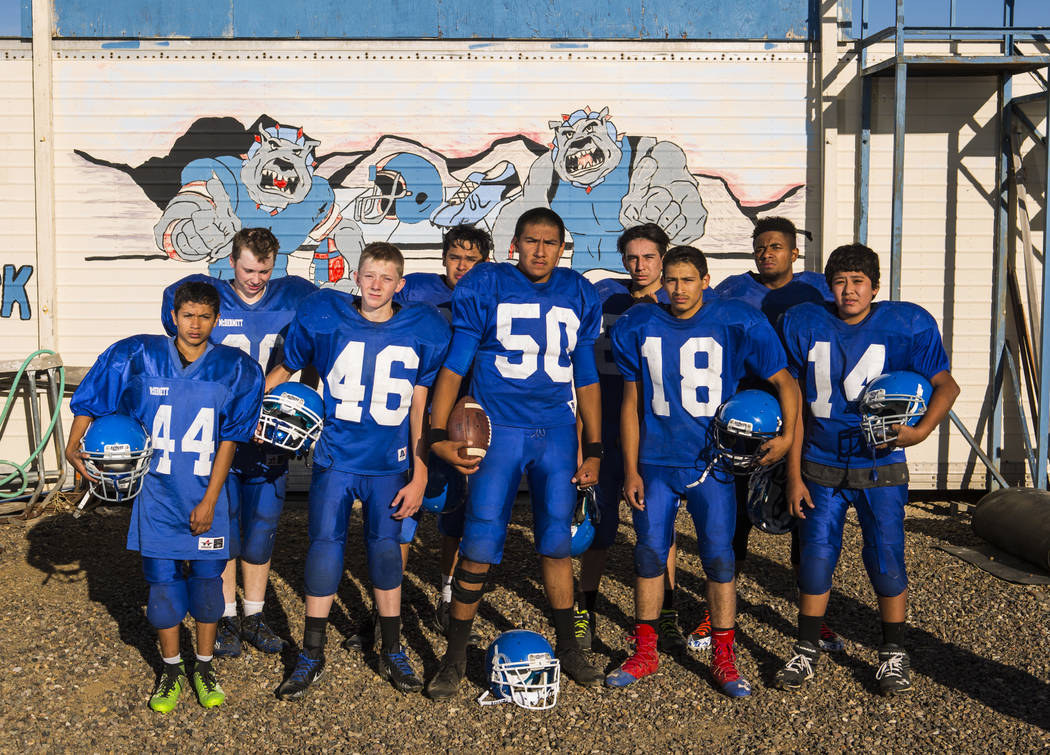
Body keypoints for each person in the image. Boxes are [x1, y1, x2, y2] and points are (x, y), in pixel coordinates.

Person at [424, 208, 605, 699]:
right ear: (515, 244)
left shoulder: (579, 292)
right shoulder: (487, 283)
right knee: (480, 541)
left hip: (557, 430)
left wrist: (594, 447)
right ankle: (455, 656)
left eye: (550, 243)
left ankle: (569, 646)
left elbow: (586, 379)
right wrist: (438, 433)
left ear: (562, 247)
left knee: (556, 541)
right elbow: (454, 365)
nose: (540, 251)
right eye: (531, 241)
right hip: (499, 428)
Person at [606, 246, 800, 697]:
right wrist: (631, 469)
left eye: (687, 280)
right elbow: (632, 403)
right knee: (650, 554)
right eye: (670, 280)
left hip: (712, 462)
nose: (677, 289)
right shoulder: (640, 322)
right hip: (655, 463)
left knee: (718, 558)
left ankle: (724, 656)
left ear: (706, 280)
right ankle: (646, 650)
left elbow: (784, 381)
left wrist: (788, 437)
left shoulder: (735, 319)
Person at [66, 280, 264, 712]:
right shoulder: (139, 355)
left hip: (207, 493)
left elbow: (229, 441)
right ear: (173, 315)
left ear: (217, 319)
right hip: (156, 495)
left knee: (209, 589)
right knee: (162, 590)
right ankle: (172, 668)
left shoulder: (236, 367)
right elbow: (95, 396)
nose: (195, 325)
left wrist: (210, 501)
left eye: (205, 317)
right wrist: (73, 441)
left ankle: (204, 665)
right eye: (188, 315)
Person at [267, 242, 450, 699]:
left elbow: (419, 408)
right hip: (337, 459)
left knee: (386, 551)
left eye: (386, 279)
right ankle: (311, 652)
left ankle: (391, 648)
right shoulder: (326, 317)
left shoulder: (422, 327)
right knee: (324, 548)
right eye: (370, 275)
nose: (376, 285)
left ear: (400, 285)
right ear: (357, 276)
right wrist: (247, 409)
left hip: (389, 464)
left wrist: (421, 474)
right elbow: (287, 368)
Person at [774, 243, 959, 695]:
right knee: (815, 560)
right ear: (828, 285)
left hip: (881, 464)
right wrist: (793, 474)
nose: (848, 291)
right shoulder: (804, 322)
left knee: (886, 559)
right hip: (820, 462)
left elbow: (946, 386)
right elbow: (795, 407)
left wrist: (919, 433)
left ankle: (894, 653)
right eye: (840, 281)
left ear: (875, 287)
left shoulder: (906, 323)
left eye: (858, 282)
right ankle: (806, 648)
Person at [161, 227, 317, 658]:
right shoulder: (210, 300)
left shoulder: (295, 296)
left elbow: (311, 350)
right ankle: (225, 615)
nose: (256, 279)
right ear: (231, 262)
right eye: (248, 269)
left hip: (269, 432)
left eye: (264, 270)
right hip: (221, 432)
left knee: (262, 529)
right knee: (223, 528)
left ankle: (254, 614)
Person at [708, 216, 841, 653]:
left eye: (777, 247)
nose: (767, 253)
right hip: (747, 416)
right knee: (735, 517)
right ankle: (717, 614)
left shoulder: (816, 291)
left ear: (794, 253)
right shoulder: (731, 289)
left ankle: (813, 618)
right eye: (761, 246)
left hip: (804, 415)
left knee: (804, 518)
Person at [576, 223, 686, 653]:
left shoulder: (676, 302)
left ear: (663, 258)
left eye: (649, 257)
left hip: (656, 433)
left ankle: (668, 611)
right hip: (605, 423)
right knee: (599, 528)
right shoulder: (607, 298)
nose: (640, 266)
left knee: (659, 531)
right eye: (632, 258)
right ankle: (585, 608)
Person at [395, 226, 492, 636]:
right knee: (402, 506)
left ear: (485, 263)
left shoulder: (493, 294)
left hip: (466, 413)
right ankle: (391, 599)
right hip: (414, 410)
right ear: (443, 258)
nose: (462, 265)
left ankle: (448, 591)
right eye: (455, 257)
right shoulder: (417, 292)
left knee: (456, 511)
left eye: (471, 259)